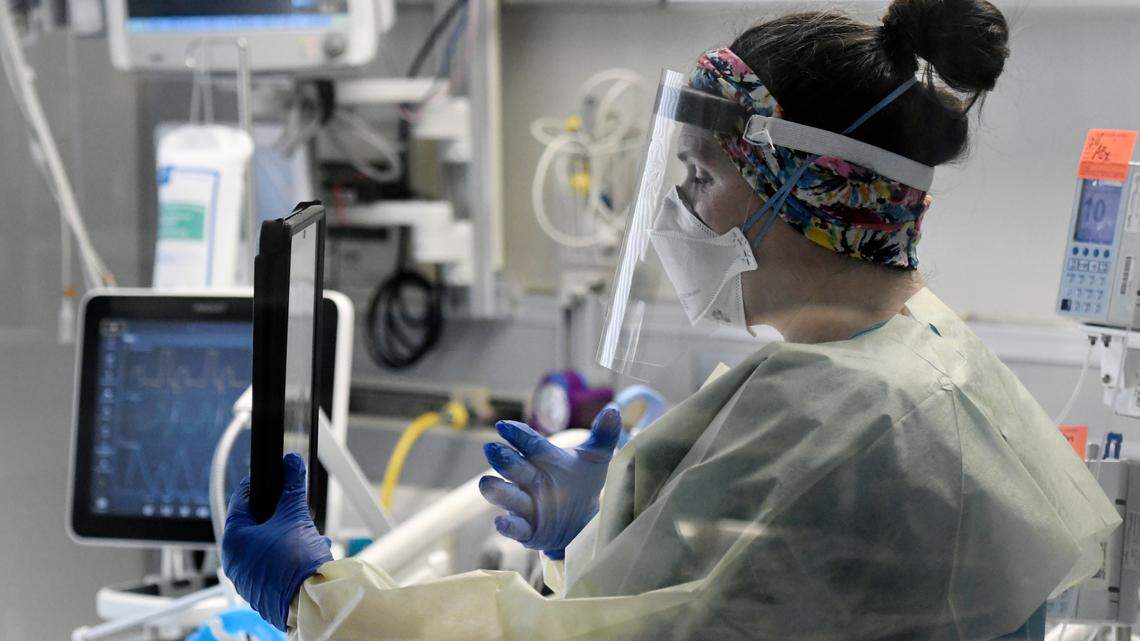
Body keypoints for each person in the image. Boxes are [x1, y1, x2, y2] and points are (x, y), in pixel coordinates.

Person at [222, 1, 1122, 639]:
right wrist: (602, 531)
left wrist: (323, 598)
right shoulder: (922, 350)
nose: (677, 211)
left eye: (700, 176)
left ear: (804, 187)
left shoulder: (834, 417)